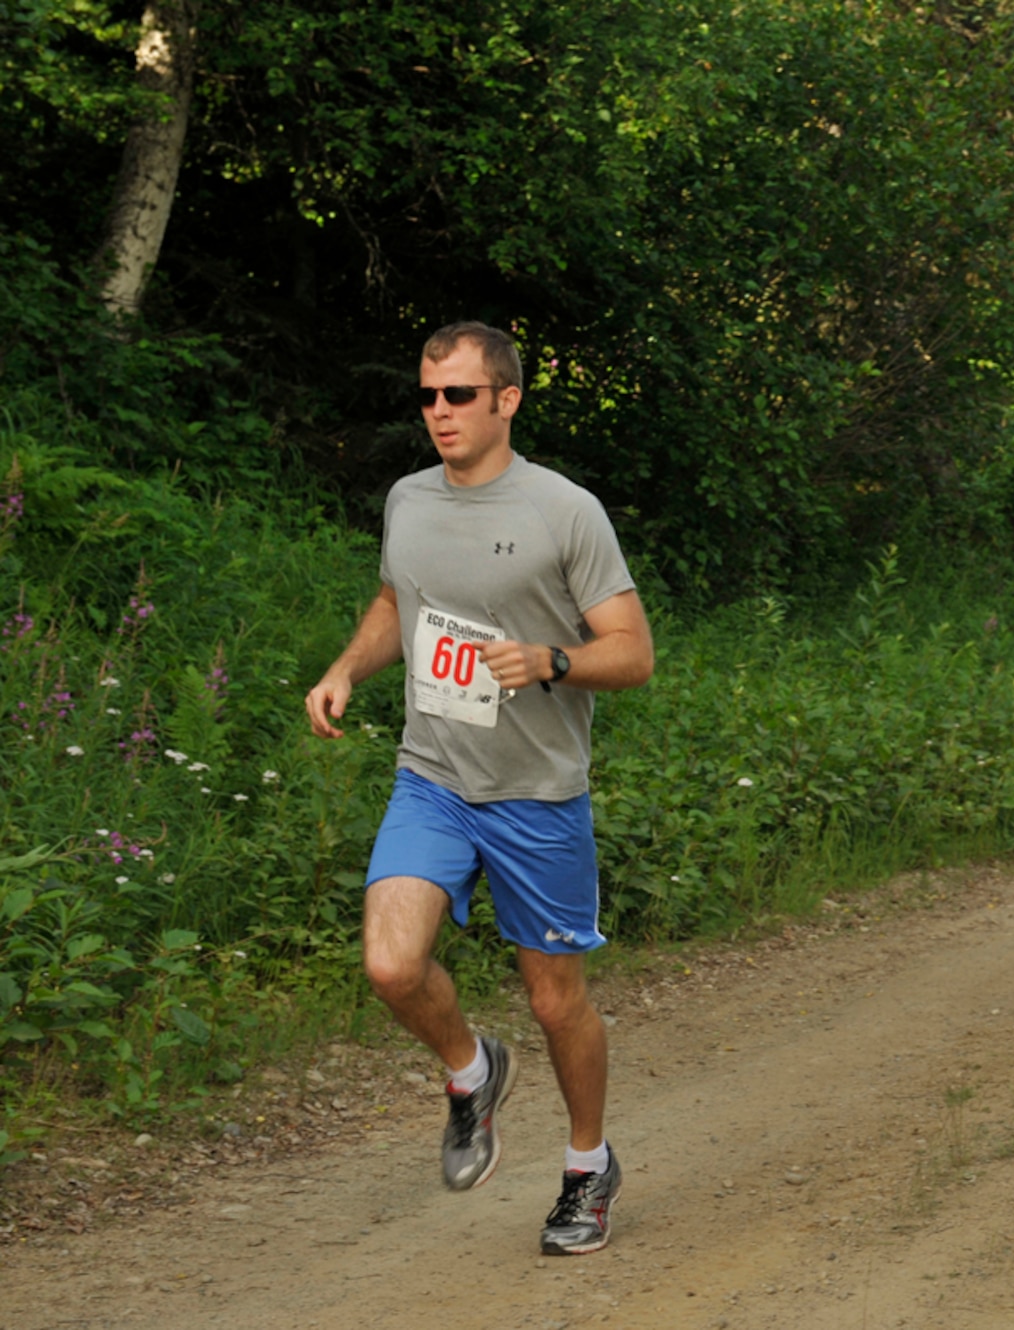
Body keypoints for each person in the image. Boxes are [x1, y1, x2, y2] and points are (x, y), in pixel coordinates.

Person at [305, 321, 655, 1256]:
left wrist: (550, 660)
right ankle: (471, 1071)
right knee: (390, 964)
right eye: (427, 396)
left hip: (537, 793)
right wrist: (348, 668)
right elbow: (394, 603)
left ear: (507, 399)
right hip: (434, 777)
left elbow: (633, 652)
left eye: (459, 395)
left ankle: (589, 1169)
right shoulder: (409, 499)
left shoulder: (563, 510)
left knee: (555, 1001)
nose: (439, 414)